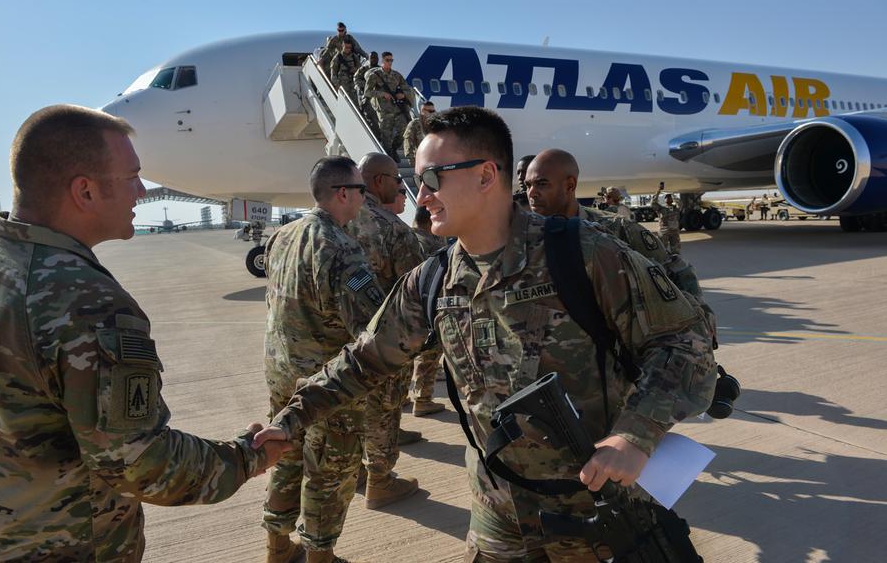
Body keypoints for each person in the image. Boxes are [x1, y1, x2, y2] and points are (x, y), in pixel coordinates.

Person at [256, 107, 716, 562]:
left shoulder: (583, 253)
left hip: (593, 516)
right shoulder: (430, 281)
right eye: (416, 180)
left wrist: (635, 435)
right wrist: (290, 421)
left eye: (433, 178)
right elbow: (363, 361)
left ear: (485, 175)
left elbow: (685, 340)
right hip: (498, 518)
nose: (421, 195)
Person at [0, 104, 290, 562]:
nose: (141, 192)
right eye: (131, 177)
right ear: (84, 191)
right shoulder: (84, 300)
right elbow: (139, 464)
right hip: (68, 545)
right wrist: (249, 456)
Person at [262, 156, 384, 563]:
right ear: (343, 193)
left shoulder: (283, 234)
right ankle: (320, 557)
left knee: (285, 453)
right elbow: (370, 327)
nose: (364, 198)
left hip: (281, 373)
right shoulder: (342, 248)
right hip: (324, 384)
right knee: (331, 469)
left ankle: (277, 549)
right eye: (362, 190)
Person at [346, 153, 425, 509]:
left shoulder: (335, 221)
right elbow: (414, 289)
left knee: (349, 406)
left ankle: (356, 474)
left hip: (339, 342)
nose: (399, 184)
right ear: (379, 182)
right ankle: (380, 479)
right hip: (381, 340)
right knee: (383, 406)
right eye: (395, 178)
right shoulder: (392, 228)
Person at [524, 148, 707, 302]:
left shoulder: (616, 228)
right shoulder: (522, 239)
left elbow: (675, 270)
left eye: (542, 184)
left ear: (570, 185)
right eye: (527, 185)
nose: (531, 193)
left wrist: (699, 318)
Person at [409, 206, 448, 417]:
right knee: (429, 355)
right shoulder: (432, 242)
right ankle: (423, 400)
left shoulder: (406, 237)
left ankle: (409, 397)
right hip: (429, 308)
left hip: (408, 308)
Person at [364, 52, 414, 160]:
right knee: (386, 135)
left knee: (404, 130)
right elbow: (367, 92)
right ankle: (389, 157)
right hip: (384, 110)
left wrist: (403, 94)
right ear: (382, 61)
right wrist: (382, 94)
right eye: (387, 60)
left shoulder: (396, 75)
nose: (390, 62)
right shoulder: (375, 75)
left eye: (391, 60)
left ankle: (393, 148)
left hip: (397, 108)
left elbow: (407, 87)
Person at [354, 51, 381, 136]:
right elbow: (356, 79)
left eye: (375, 58)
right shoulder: (364, 69)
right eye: (371, 58)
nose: (373, 59)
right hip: (367, 97)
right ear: (369, 59)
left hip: (378, 98)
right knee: (370, 118)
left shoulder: (380, 70)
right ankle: (375, 136)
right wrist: (368, 85)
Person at [403, 101, 436, 165]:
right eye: (430, 111)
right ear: (422, 111)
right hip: (421, 158)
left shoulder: (436, 124)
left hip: (435, 158)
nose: (433, 113)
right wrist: (410, 158)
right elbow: (408, 140)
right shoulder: (415, 124)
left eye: (433, 111)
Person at [651, 189, 682, 254]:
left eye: (670, 197)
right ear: (664, 200)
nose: (668, 198)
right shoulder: (661, 209)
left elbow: (680, 203)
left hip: (675, 232)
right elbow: (653, 203)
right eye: (666, 197)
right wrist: (658, 192)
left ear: (672, 199)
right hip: (664, 232)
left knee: (676, 251)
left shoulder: (676, 209)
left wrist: (673, 195)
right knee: (662, 250)